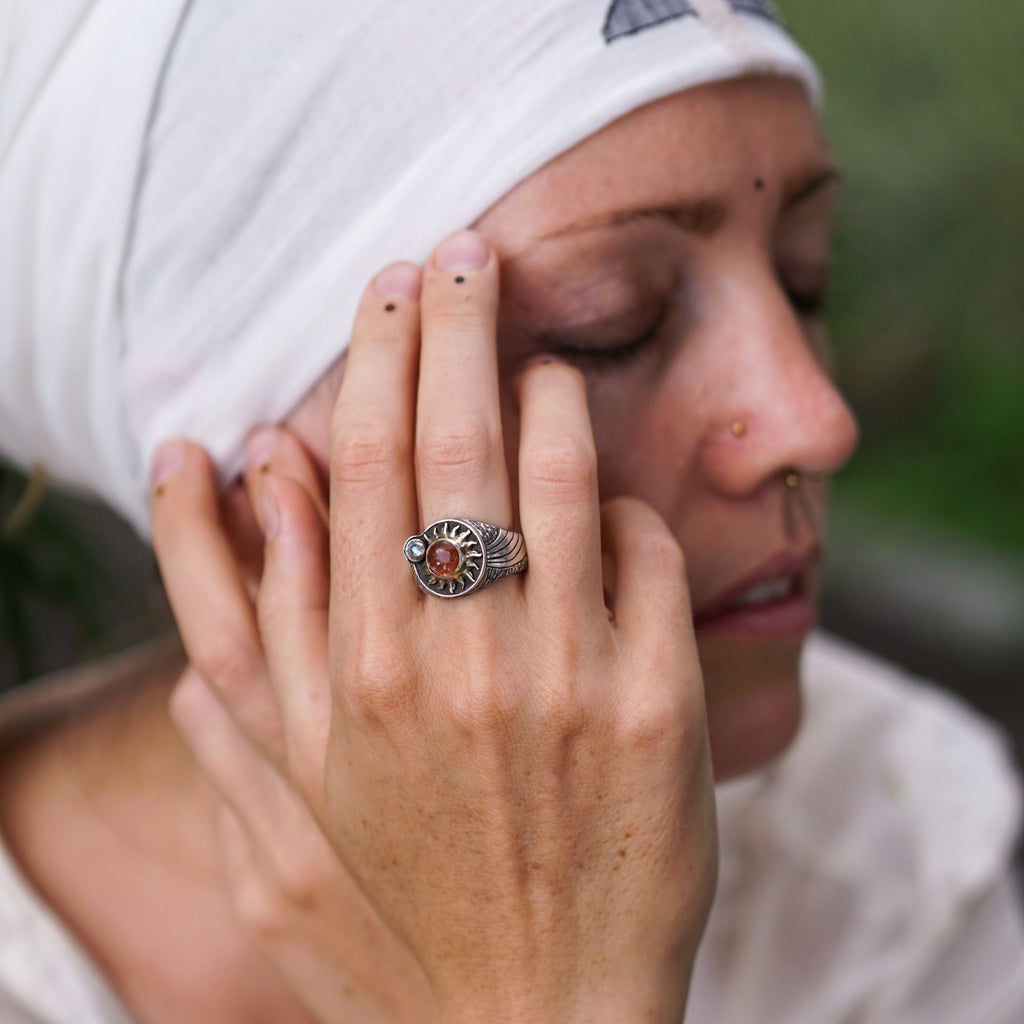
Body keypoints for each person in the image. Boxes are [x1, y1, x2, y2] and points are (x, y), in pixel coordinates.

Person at [1, 2, 1022, 1022]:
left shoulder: (877, 844)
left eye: (805, 279)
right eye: (608, 325)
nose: (815, 420)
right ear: (244, 495)